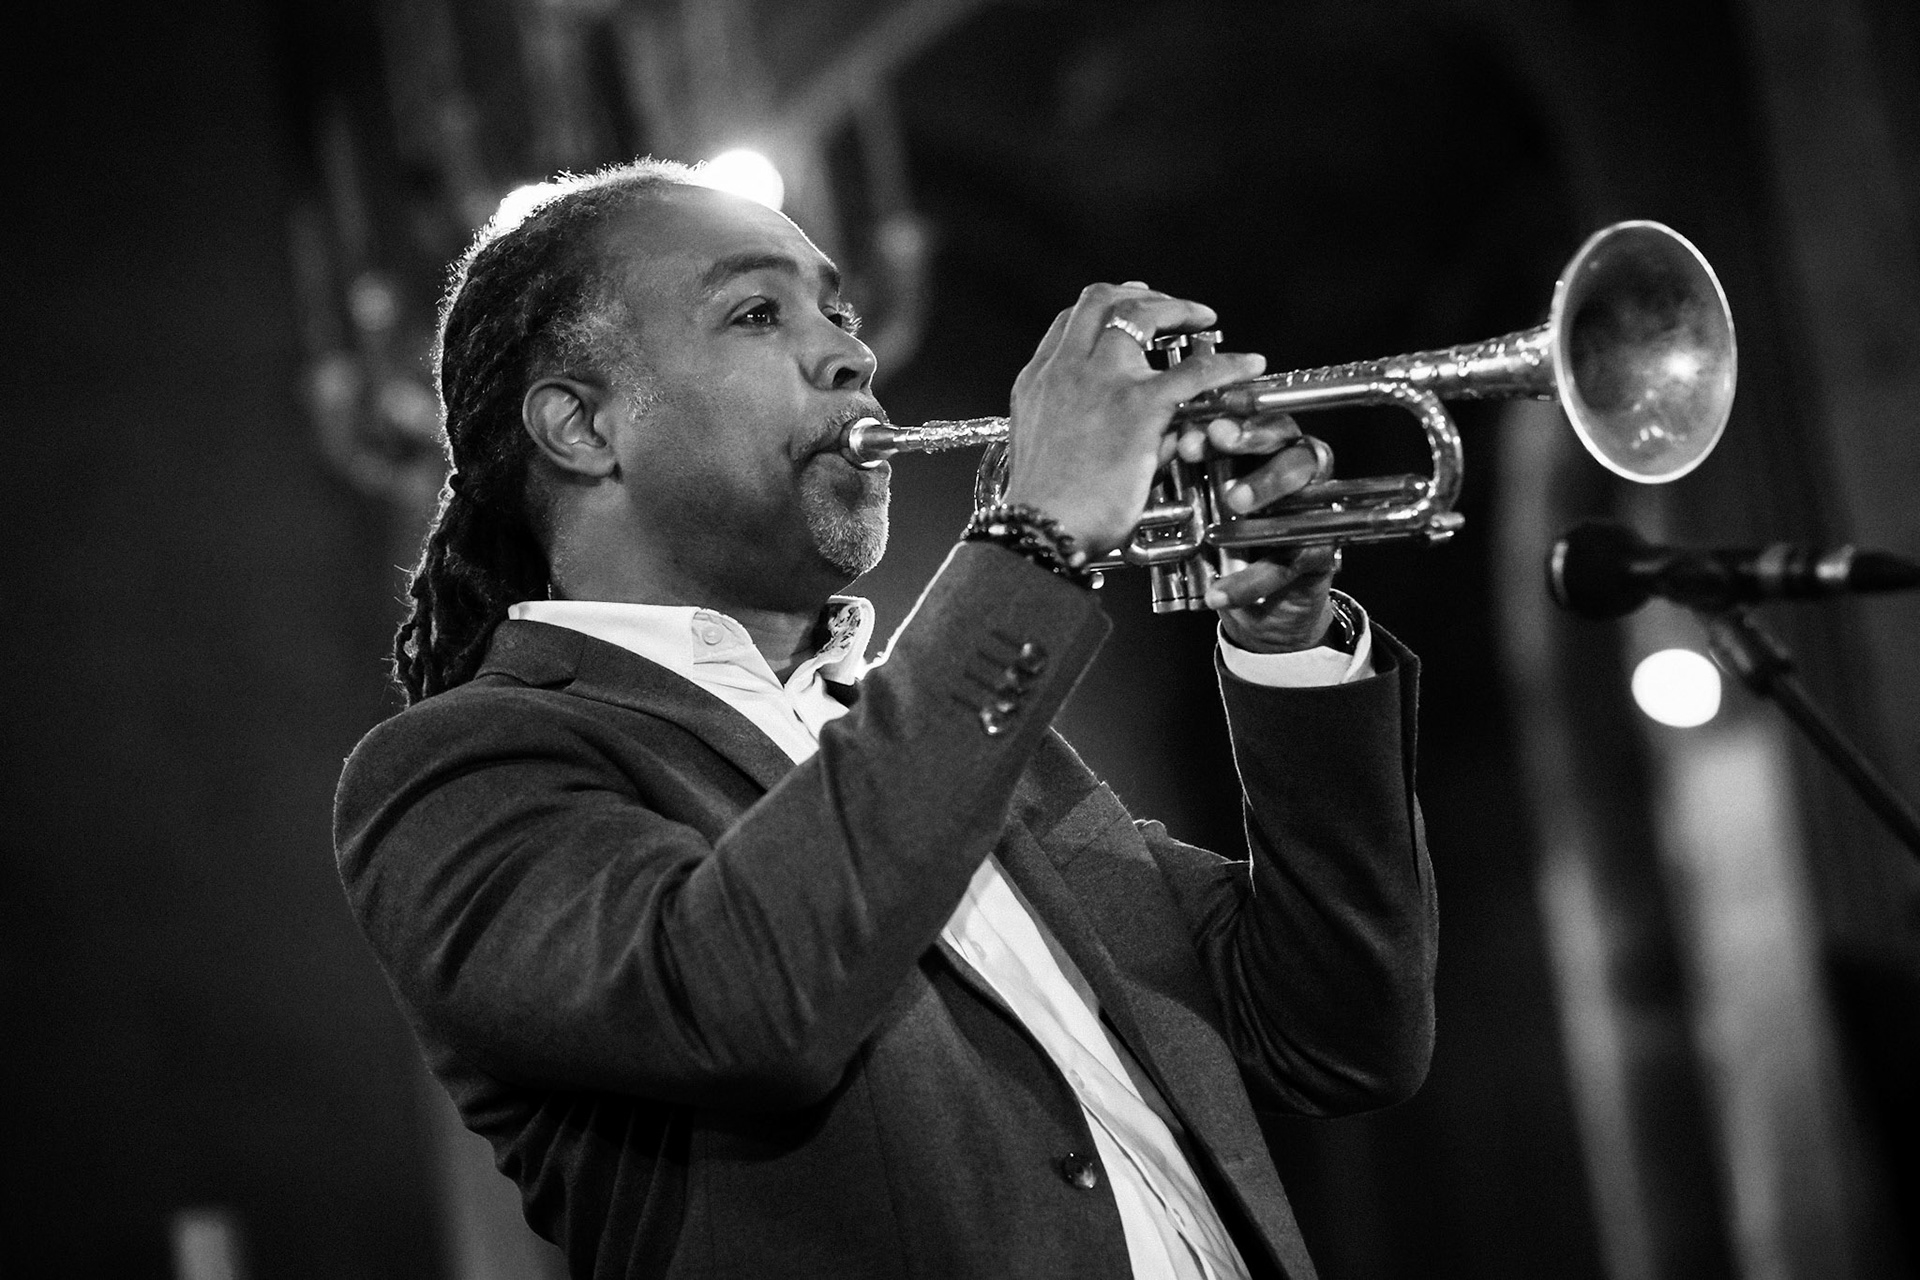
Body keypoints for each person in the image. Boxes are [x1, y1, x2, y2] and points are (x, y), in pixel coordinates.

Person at [333, 159, 1436, 1280]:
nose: (853, 355)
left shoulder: (965, 734)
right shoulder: (460, 770)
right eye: (758, 312)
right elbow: (743, 998)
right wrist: (1038, 541)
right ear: (581, 426)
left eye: (842, 311)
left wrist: (1282, 630)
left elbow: (1337, 1035)